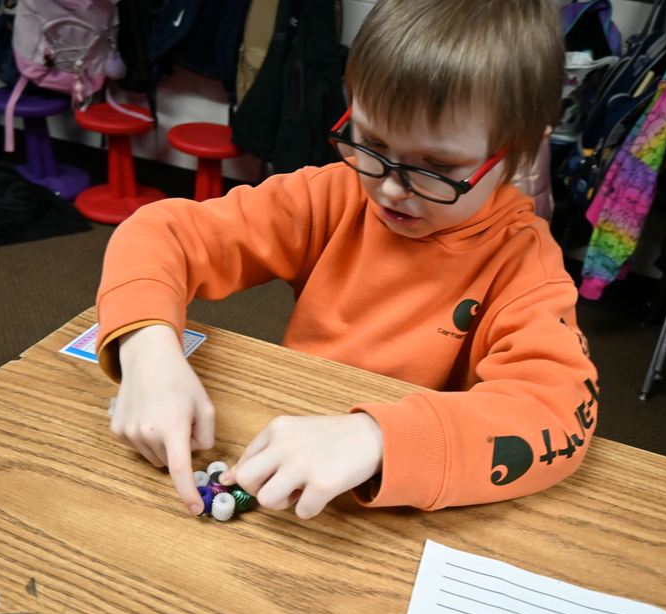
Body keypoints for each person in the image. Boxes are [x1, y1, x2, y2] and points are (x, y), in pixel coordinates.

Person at [96, 0, 599, 520]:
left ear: (520, 154)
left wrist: (379, 438)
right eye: (372, 142)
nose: (391, 188)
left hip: (397, 509)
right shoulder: (332, 197)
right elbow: (160, 234)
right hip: (290, 444)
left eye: (438, 166)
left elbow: (558, 414)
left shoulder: (524, 265)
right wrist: (148, 350)